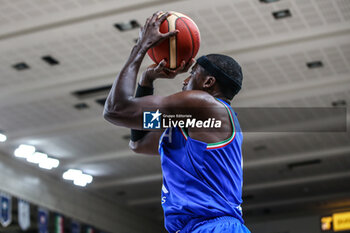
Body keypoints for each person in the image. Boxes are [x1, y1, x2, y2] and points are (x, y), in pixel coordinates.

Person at [103, 11, 250, 233]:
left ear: (209, 82)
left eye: (193, 74)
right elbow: (139, 142)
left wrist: (141, 47)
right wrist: (147, 79)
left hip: (215, 227)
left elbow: (116, 109)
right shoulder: (194, 120)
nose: (185, 79)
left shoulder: (204, 106)